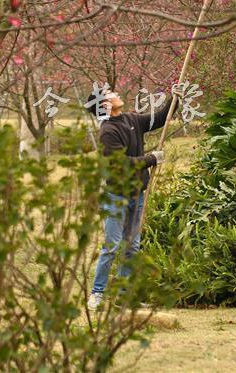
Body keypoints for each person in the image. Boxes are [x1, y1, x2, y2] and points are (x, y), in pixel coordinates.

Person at [84, 86, 179, 310]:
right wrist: (151, 159)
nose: (115, 93)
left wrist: (176, 99)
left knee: (132, 246)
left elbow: (161, 118)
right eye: (109, 94)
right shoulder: (107, 131)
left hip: (137, 194)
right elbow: (122, 164)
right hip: (117, 196)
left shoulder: (131, 119)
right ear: (105, 105)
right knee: (111, 246)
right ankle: (97, 293)